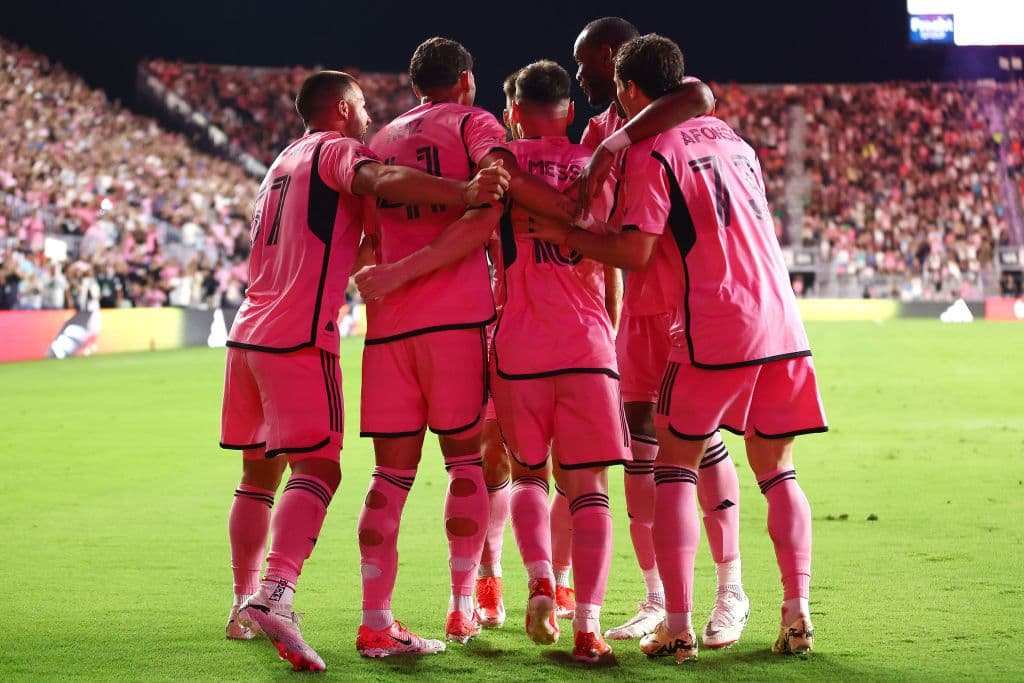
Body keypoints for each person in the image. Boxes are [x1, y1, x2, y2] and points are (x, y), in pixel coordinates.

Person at [532, 34, 827, 662]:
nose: (594, 82)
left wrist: (562, 234)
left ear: (628, 84)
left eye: (604, 75)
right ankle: (796, 612)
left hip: (709, 319)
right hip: (781, 320)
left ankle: (682, 622)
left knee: (674, 467)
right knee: (777, 469)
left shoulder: (650, 147)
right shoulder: (733, 140)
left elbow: (633, 249)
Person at [221, 70, 508, 671]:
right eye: (363, 106)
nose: (370, 117)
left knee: (257, 477)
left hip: (246, 332)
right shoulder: (335, 149)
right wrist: (463, 192)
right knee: (319, 468)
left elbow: (337, 245)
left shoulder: (280, 164)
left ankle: (242, 603)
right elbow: (380, 179)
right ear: (342, 108)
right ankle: (275, 594)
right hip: (298, 335)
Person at [351, 37, 574, 656]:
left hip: (389, 328)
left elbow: (369, 238)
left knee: (388, 477)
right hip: (456, 321)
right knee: (465, 466)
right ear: (468, 80)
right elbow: (487, 207)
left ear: (414, 83)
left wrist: (391, 275)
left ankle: (375, 621)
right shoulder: (474, 124)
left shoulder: (379, 140)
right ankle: (459, 607)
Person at [571, 16, 749, 647]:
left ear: (611, 58)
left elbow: (700, 94)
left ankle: (730, 589)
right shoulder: (599, 128)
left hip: (684, 299)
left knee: (700, 441)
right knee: (638, 449)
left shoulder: (674, 104)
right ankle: (657, 596)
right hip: (636, 306)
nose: (579, 76)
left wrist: (612, 147)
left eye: (584, 63)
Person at [488, 59, 630, 663]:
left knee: (528, 474)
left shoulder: (500, 169)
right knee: (590, 489)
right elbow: (615, 259)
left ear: (515, 112)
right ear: (570, 111)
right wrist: (609, 333)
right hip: (587, 345)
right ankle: (588, 626)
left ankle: (541, 581)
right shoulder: (597, 167)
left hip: (518, 341)